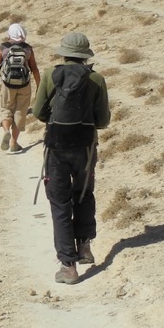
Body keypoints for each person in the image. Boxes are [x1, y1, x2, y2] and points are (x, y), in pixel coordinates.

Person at [32, 32, 111, 285]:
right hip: (86, 149)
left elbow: (37, 111)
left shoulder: (50, 74)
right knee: (83, 195)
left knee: (60, 204)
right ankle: (85, 245)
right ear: (85, 55)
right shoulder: (96, 78)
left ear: (63, 52)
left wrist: (55, 122)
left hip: (56, 148)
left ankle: (68, 267)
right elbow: (104, 120)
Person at [0, 23, 42, 152]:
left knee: (7, 109)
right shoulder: (28, 49)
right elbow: (34, 69)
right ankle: (13, 143)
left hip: (8, 84)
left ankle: (6, 130)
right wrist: (39, 85)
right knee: (20, 112)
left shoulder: (4, 48)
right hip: (24, 85)